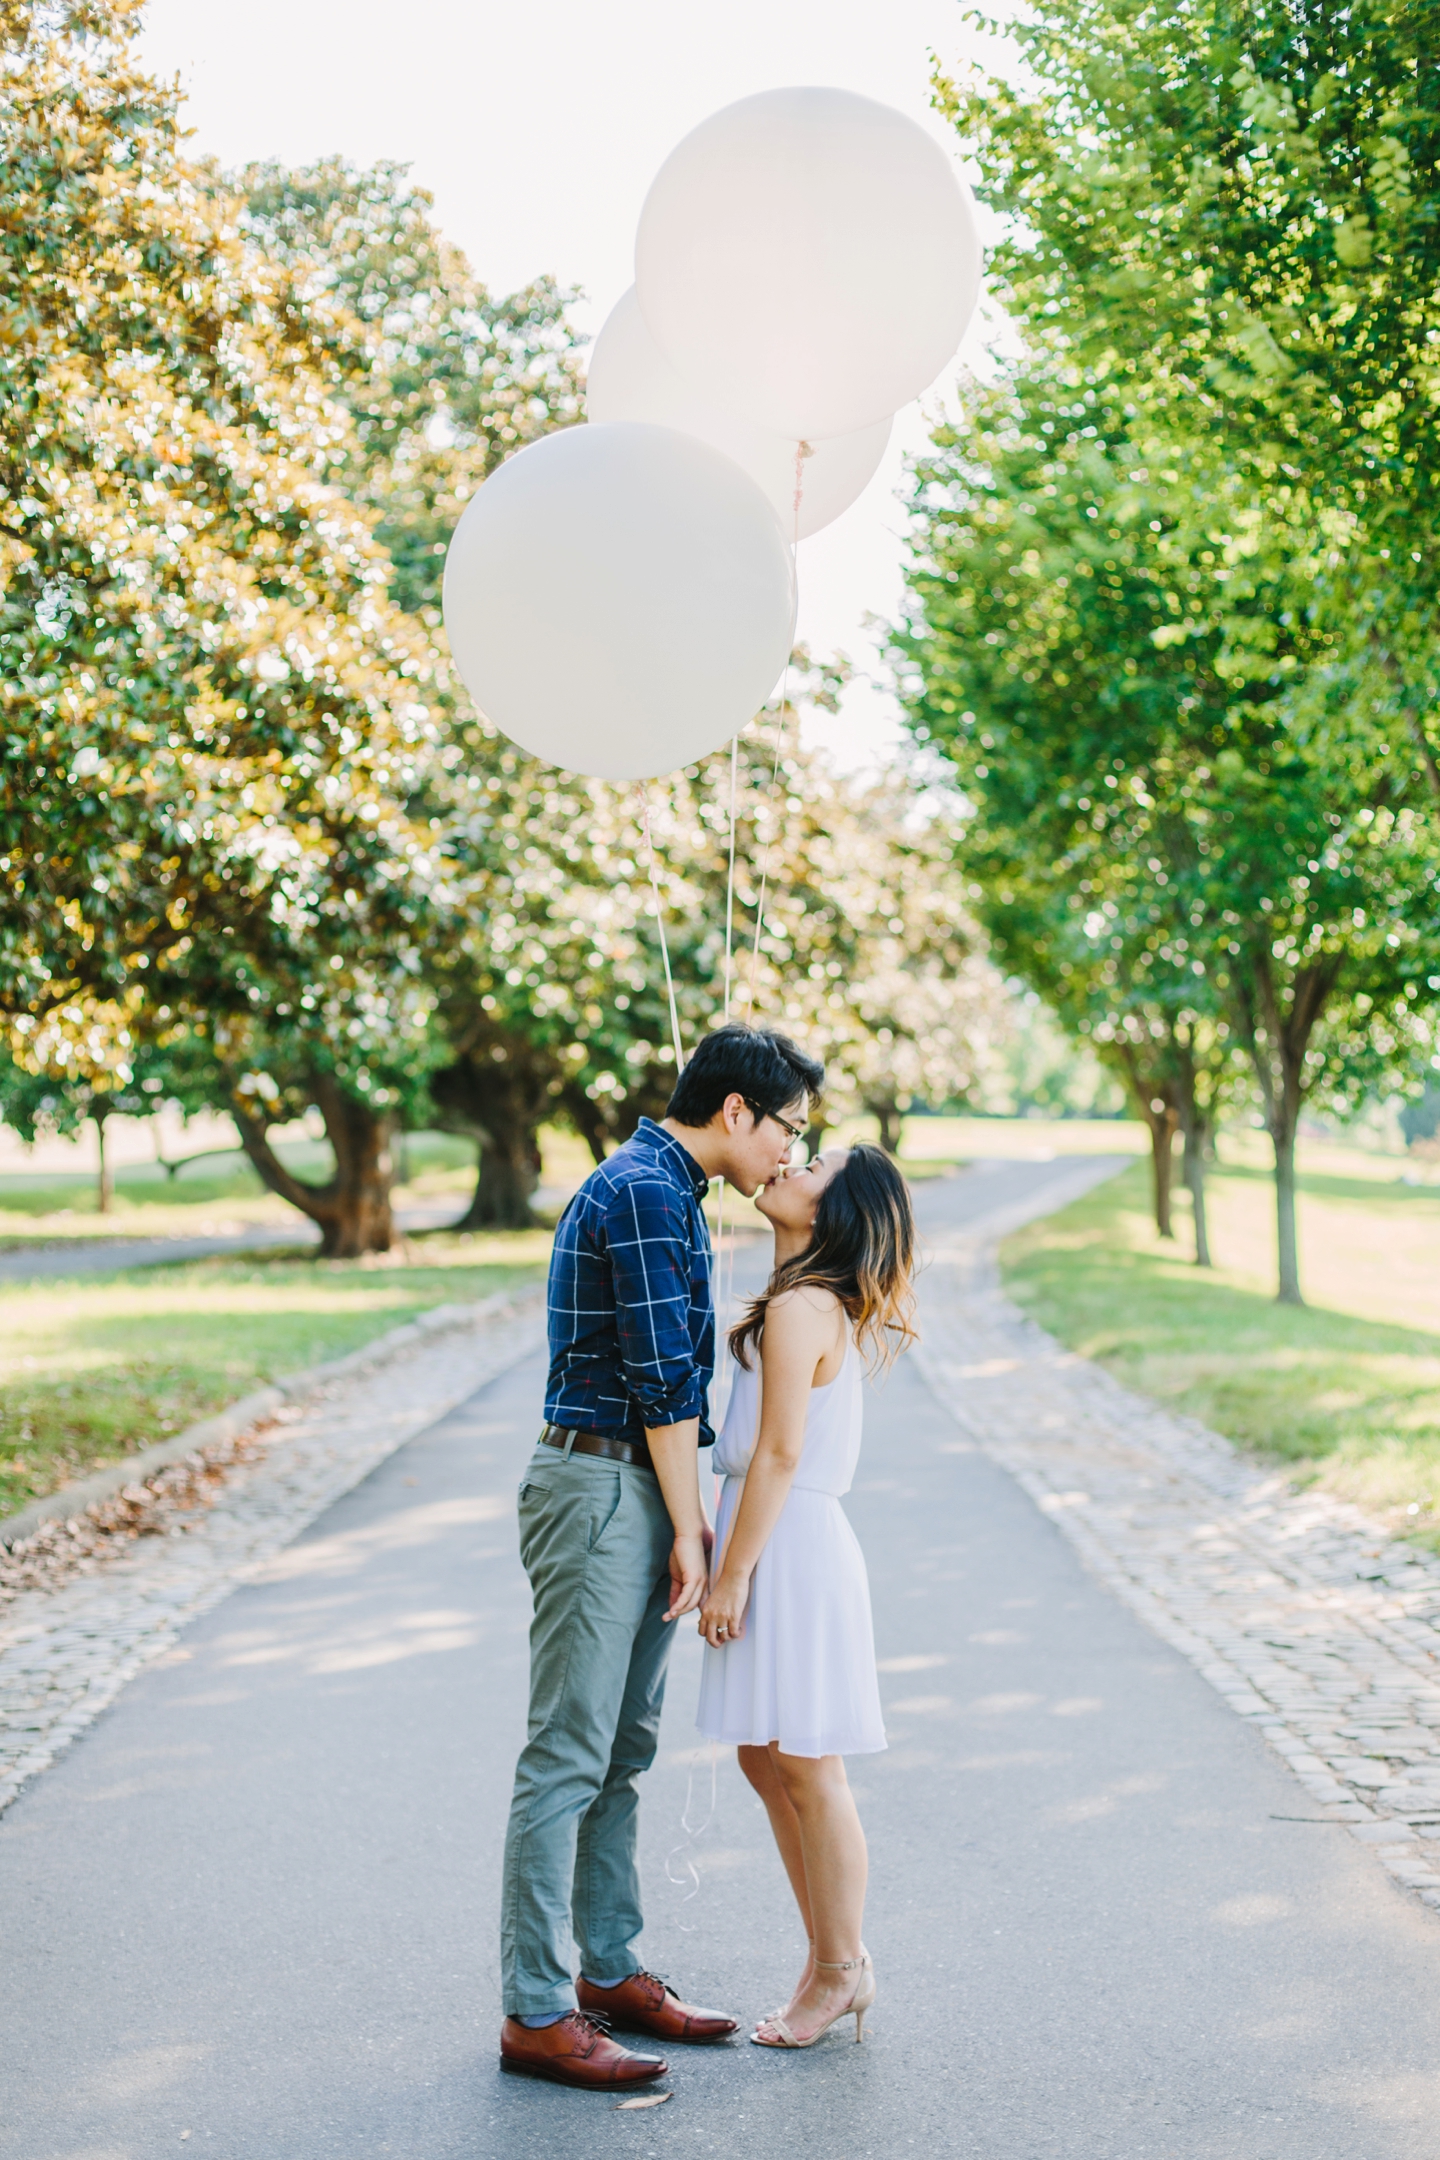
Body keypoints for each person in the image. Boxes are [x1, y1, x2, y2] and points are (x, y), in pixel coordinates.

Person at [498, 1024, 826, 2090]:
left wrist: (678, 1518)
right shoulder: (643, 1191)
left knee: (623, 1751)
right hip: (601, 1485)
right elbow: (659, 1385)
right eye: (788, 1129)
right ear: (737, 1110)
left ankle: (607, 1968)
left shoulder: (671, 1193)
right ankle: (537, 2010)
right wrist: (692, 1528)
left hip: (633, 1487)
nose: (789, 1151)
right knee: (568, 1752)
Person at [697, 1142, 917, 2050]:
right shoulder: (799, 1298)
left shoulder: (802, 1306)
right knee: (765, 1756)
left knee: (807, 1763)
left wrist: (734, 1571)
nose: (789, 1162)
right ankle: (832, 1955)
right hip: (780, 1533)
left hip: (790, 1545)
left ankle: (840, 1970)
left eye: (814, 1163)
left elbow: (780, 1455)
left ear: (840, 1210)